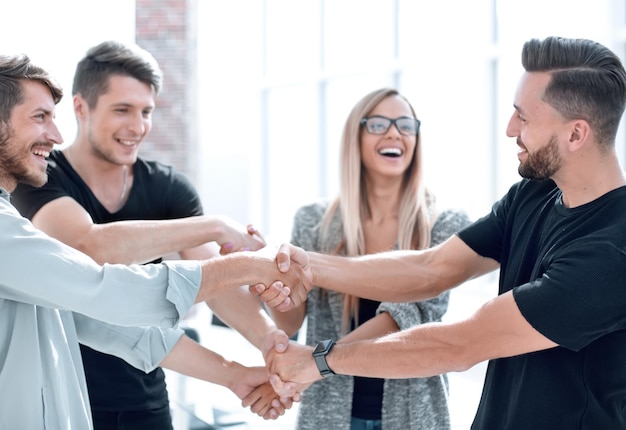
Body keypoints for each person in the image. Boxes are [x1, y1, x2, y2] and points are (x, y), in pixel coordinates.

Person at [258, 36, 626, 429]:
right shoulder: (533, 195)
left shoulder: (612, 254)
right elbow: (432, 268)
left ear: (576, 135)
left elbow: (460, 344)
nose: (509, 129)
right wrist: (306, 265)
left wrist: (321, 360)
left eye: (524, 117)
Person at [0, 52, 306, 430]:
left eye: (146, 111)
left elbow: (110, 324)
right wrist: (228, 246)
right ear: (84, 107)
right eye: (39, 117)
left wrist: (254, 357)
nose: (137, 125)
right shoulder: (36, 190)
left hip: (138, 402)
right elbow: (92, 268)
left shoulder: (167, 186)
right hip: (79, 394)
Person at [264, 88, 471, 430]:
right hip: (327, 415)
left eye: (405, 125)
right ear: (355, 138)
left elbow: (405, 318)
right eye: (378, 125)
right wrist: (271, 280)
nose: (394, 133)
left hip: (413, 415)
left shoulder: (445, 224)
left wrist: (315, 365)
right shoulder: (312, 221)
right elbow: (290, 323)